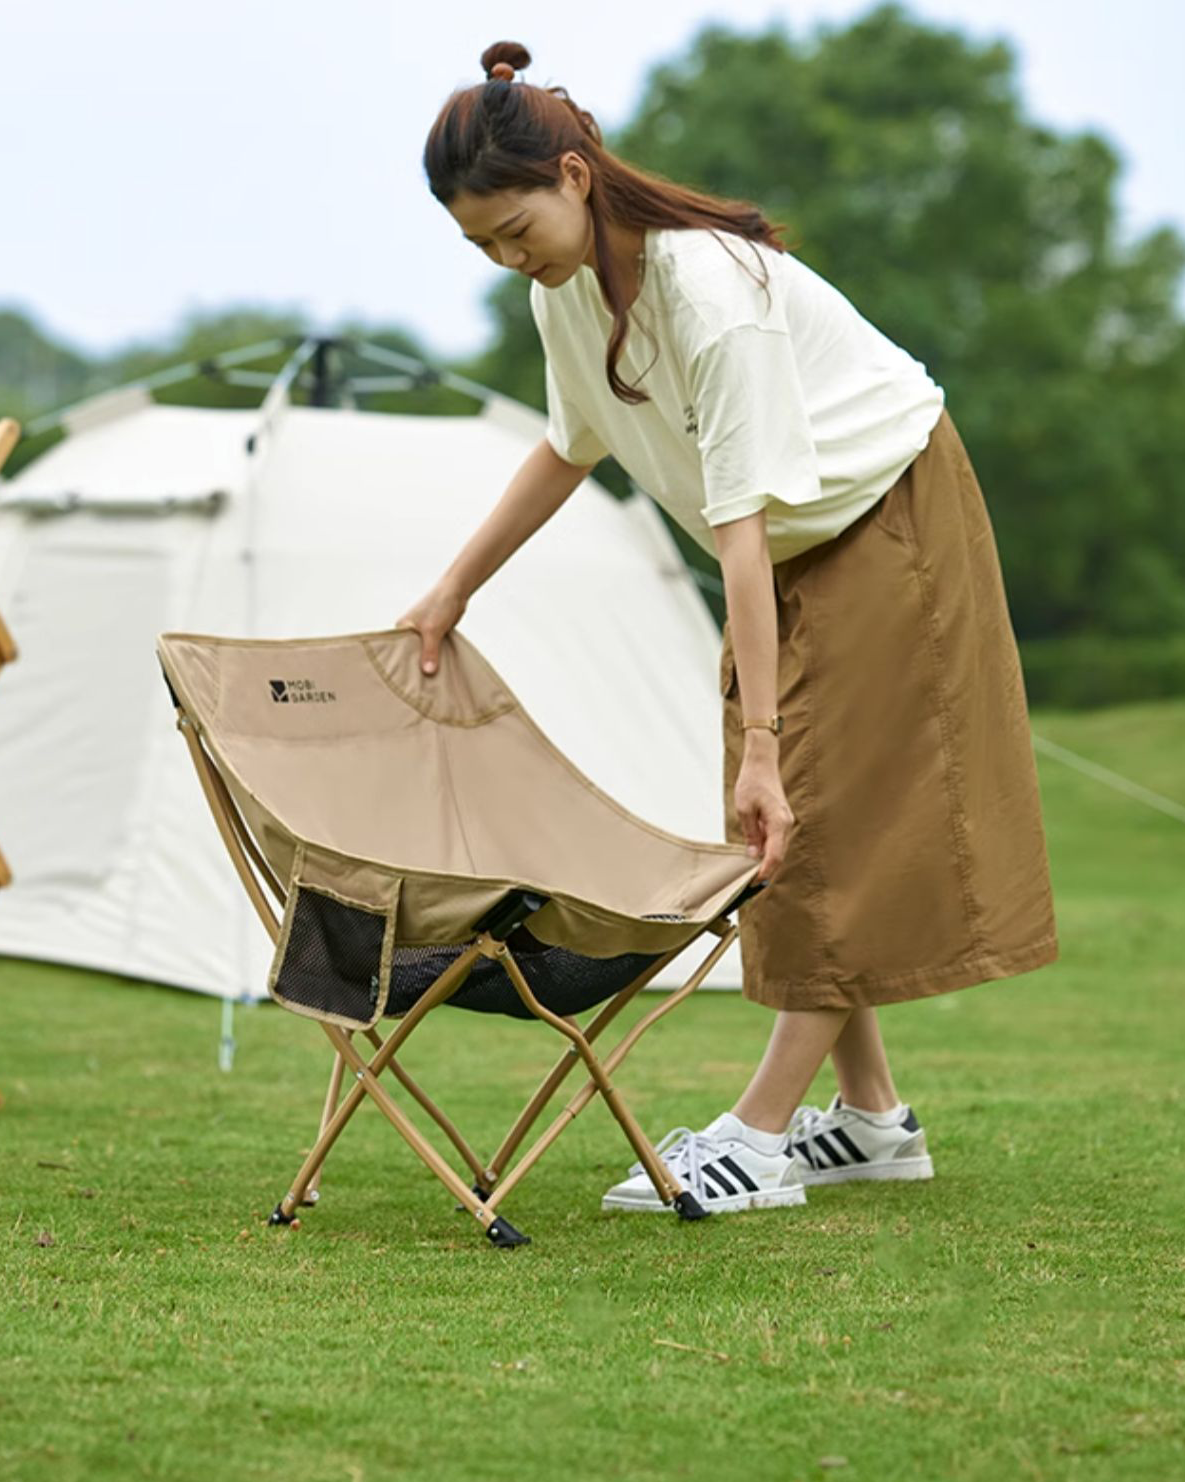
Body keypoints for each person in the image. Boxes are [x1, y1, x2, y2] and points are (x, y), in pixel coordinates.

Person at [401, 41, 1059, 1215]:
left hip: (886, 515)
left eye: (516, 230)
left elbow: (740, 525)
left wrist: (763, 742)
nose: (509, 260)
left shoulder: (710, 289)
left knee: (807, 810)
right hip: (794, 546)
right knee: (786, 827)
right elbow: (569, 450)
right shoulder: (564, 295)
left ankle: (757, 1138)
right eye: (481, 246)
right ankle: (869, 1121)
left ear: (574, 174)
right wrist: (453, 590)